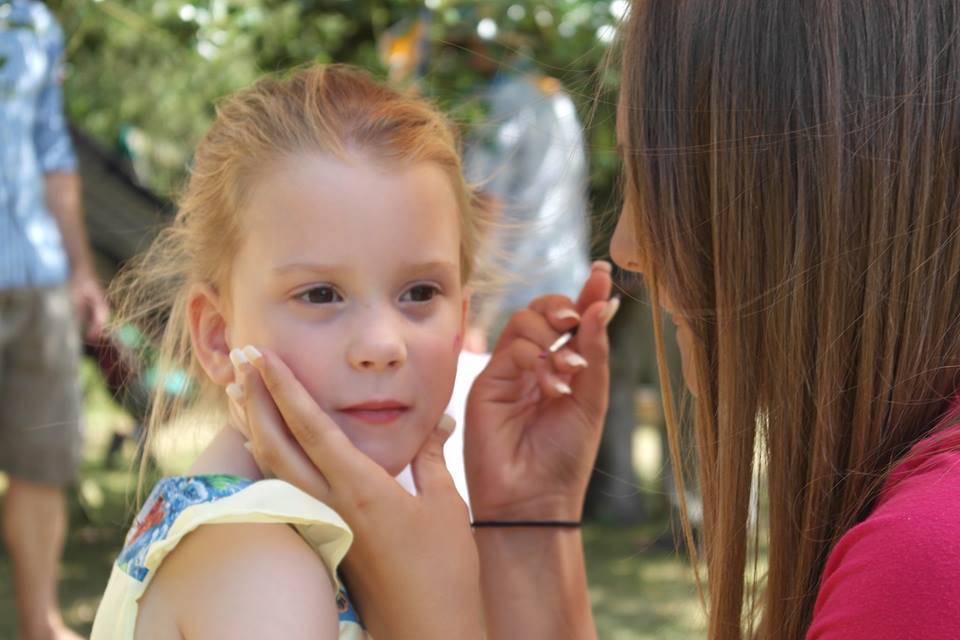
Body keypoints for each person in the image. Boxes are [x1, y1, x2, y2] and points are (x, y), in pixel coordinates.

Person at [237, 2, 960, 639]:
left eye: (663, 176)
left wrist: (423, 612)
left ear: (813, 184)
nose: (625, 248)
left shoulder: (926, 567)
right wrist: (532, 519)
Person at [90, 63, 610, 639]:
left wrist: (525, 515)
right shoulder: (260, 569)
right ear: (217, 335)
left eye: (419, 293)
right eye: (320, 294)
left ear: (461, 322)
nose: (382, 345)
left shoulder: (346, 539)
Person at [0, 2, 108, 639]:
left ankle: (40, 623)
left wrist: (80, 269)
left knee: (43, 461)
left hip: (37, 274)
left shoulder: (32, 22)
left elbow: (52, 150)